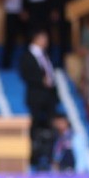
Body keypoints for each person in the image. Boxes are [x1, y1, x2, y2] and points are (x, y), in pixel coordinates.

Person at [20, 29, 59, 167]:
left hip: (48, 98)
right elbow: (25, 74)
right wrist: (41, 81)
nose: (46, 41)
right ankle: (33, 157)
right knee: (35, 128)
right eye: (43, 38)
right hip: (36, 97)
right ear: (35, 39)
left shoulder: (45, 55)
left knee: (50, 128)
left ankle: (49, 156)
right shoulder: (28, 55)